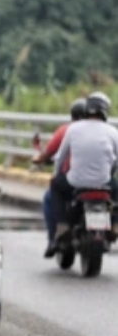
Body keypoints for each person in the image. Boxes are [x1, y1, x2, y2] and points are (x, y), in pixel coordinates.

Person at [49, 92, 118, 246]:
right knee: (116, 193)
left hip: (76, 182)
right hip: (104, 182)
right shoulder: (113, 132)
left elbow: (60, 157)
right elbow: (116, 161)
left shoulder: (73, 129)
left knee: (55, 185)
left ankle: (62, 225)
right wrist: (109, 173)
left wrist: (57, 173)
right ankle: (115, 223)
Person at [32, 97, 87, 257]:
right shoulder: (104, 130)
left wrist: (39, 158)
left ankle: (54, 238)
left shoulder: (67, 130)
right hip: (101, 182)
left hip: (73, 181)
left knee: (50, 197)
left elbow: (49, 154)